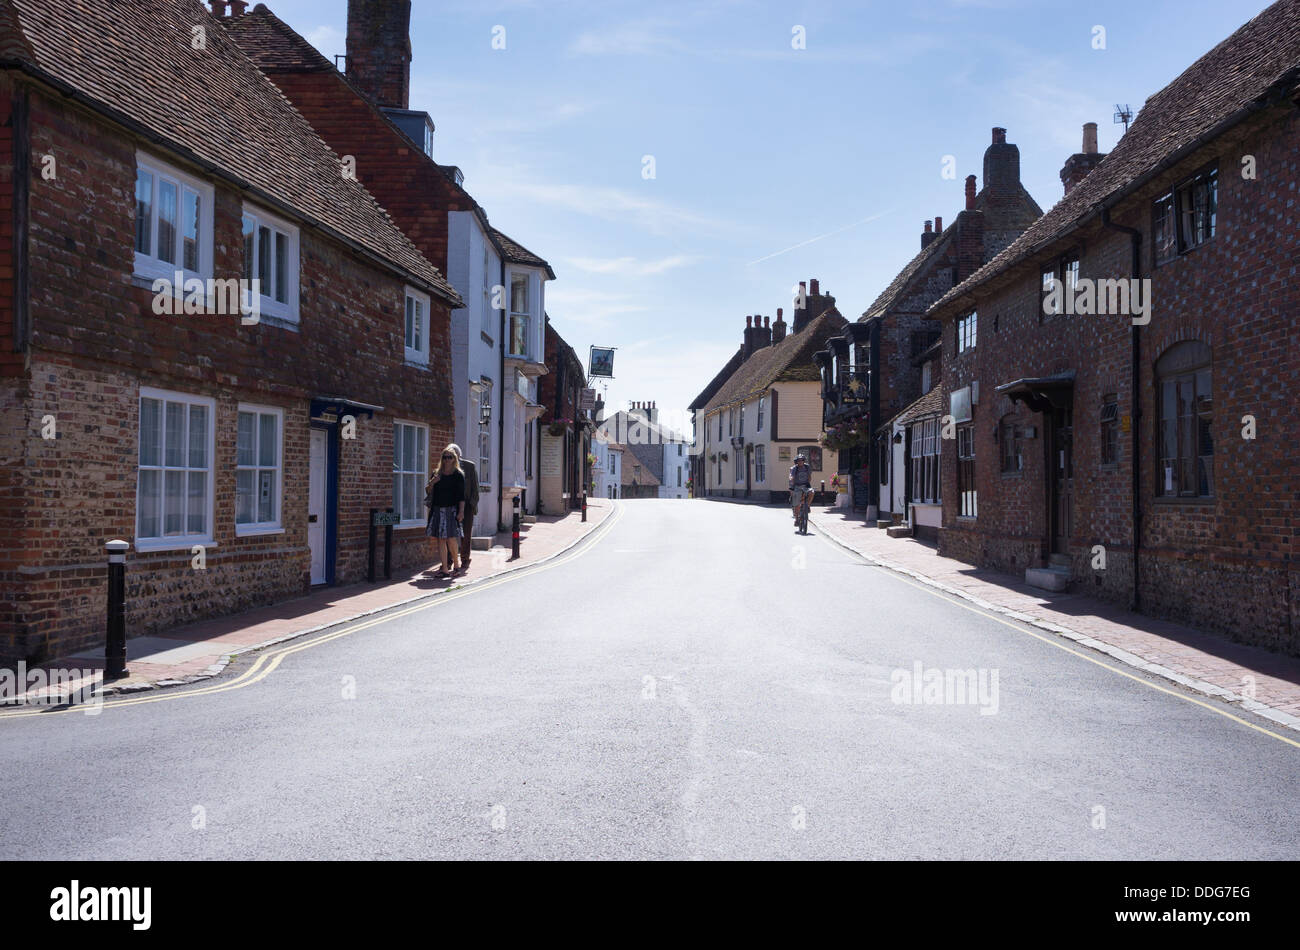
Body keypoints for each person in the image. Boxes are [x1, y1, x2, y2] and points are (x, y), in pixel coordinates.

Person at [425, 446, 466, 579]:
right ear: (442, 458)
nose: (447, 460)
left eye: (450, 457)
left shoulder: (458, 475)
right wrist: (432, 482)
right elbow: (428, 490)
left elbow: (461, 496)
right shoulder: (437, 473)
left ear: (455, 459)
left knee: (451, 539)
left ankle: (456, 566)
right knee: (440, 540)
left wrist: (461, 512)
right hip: (437, 509)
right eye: (445, 457)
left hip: (451, 510)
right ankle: (444, 569)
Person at [448, 444, 478, 576]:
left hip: (467, 505)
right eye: (448, 455)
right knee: (450, 534)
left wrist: (471, 504)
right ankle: (449, 559)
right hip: (451, 504)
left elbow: (475, 488)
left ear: (459, 455)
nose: (450, 457)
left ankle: (465, 558)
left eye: (453, 454)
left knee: (465, 533)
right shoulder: (447, 467)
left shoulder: (469, 466)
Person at [789, 453, 813, 522]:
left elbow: (809, 476)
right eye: (799, 460)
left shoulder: (807, 467)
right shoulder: (794, 468)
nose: (800, 461)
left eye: (802, 460)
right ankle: (796, 519)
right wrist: (791, 479)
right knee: (797, 505)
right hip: (797, 486)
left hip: (805, 485)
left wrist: (808, 483)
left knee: (812, 492)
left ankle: (807, 506)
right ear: (796, 461)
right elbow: (791, 476)